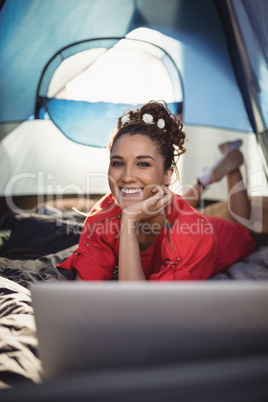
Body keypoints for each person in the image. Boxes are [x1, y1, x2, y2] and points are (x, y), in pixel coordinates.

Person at [57, 101, 256, 281]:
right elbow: (85, 291)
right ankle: (205, 179)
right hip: (171, 213)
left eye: (142, 164)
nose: (126, 176)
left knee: (246, 231)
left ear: (168, 174)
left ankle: (230, 166)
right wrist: (129, 218)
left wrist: (129, 220)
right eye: (118, 163)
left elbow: (139, 305)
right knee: (169, 205)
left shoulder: (195, 235)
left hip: (218, 235)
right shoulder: (102, 216)